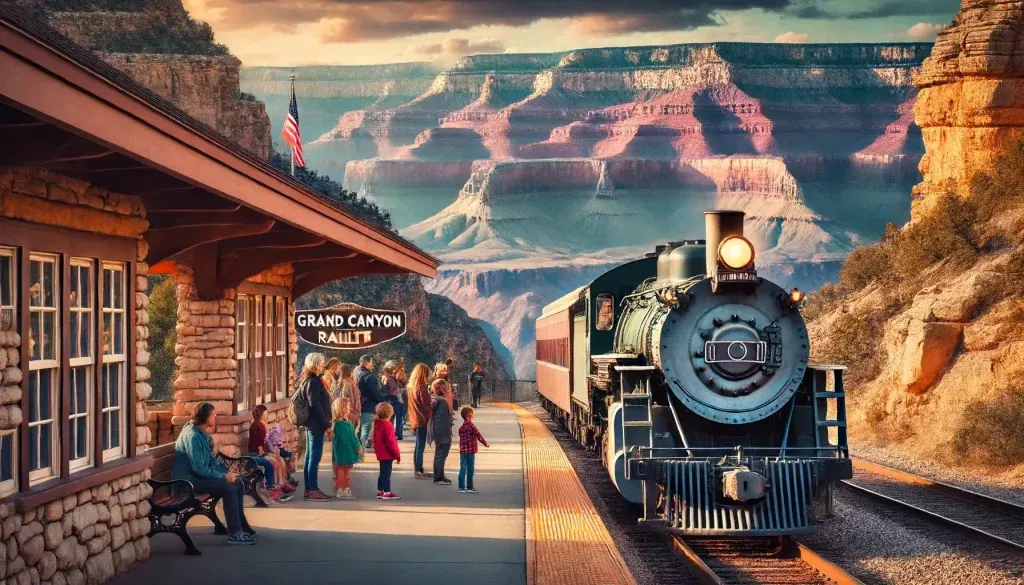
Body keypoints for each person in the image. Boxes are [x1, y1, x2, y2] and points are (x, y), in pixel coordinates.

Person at [173, 402, 256, 546]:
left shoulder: (200, 433)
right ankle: (235, 534)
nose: (215, 417)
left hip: (197, 478)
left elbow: (210, 460)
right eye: (213, 415)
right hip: (187, 483)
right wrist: (223, 476)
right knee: (228, 488)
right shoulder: (193, 436)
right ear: (206, 418)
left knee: (237, 483)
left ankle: (241, 525)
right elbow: (198, 468)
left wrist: (227, 473)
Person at [298, 352, 333, 501]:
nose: (323, 364)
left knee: (310, 457)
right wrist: (326, 424)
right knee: (314, 457)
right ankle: (312, 489)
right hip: (316, 424)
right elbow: (315, 405)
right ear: (314, 364)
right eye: (321, 362)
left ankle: (310, 488)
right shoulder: (313, 381)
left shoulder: (312, 379)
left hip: (313, 424)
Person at [247, 404, 296, 502]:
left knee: (278, 461)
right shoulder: (260, 426)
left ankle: (278, 488)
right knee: (272, 463)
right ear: (261, 414)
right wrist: (266, 452)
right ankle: (272, 489)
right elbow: (261, 444)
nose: (267, 416)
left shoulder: (258, 424)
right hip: (255, 455)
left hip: (258, 453)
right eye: (265, 414)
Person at [331, 398, 362, 499]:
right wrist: (357, 447)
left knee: (340, 471)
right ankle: (344, 489)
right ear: (343, 408)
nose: (349, 409)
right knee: (345, 473)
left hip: (340, 453)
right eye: (348, 407)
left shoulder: (338, 424)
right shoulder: (344, 425)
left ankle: (341, 489)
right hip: (346, 452)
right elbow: (351, 438)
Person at [355, 355, 388, 449]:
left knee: (358, 430)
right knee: (365, 430)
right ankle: (361, 453)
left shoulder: (356, 374)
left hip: (357, 405)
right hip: (368, 405)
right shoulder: (369, 376)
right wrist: (382, 398)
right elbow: (374, 392)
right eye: (371, 362)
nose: (372, 364)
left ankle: (357, 452)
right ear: (366, 362)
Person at [407, 363, 433, 479]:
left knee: (418, 445)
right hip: (422, 418)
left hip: (414, 417)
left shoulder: (411, 387)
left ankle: (418, 468)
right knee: (420, 446)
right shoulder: (421, 388)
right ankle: (418, 469)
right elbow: (426, 405)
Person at [372, 402, 402, 500]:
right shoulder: (387, 425)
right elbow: (391, 442)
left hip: (380, 452)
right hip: (387, 453)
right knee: (387, 474)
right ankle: (387, 491)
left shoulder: (377, 424)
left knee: (382, 472)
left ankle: (380, 490)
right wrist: (397, 454)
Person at [457, 406, 489, 494]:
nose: (472, 418)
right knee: (470, 469)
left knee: (462, 469)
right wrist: (485, 444)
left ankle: (461, 487)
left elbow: (461, 438)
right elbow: (479, 436)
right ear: (468, 416)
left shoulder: (461, 428)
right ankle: (470, 487)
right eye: (471, 416)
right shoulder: (472, 426)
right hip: (470, 451)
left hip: (463, 451)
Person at [430, 374, 454, 485]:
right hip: (442, 432)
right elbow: (442, 420)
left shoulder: (438, 401)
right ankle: (438, 477)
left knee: (441, 453)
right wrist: (446, 434)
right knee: (441, 453)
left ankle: (440, 475)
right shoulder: (442, 403)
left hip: (440, 431)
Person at [382, 360, 405, 441]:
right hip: (396, 399)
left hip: (392, 399)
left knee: (391, 418)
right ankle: (397, 434)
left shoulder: (389, 379)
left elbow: (385, 390)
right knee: (398, 418)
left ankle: (391, 433)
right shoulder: (391, 379)